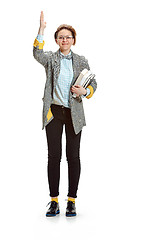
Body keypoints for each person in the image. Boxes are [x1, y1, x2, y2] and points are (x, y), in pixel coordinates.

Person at [33, 11, 97, 217]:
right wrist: (41, 30)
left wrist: (84, 91)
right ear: (56, 40)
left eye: (68, 37)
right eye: (61, 36)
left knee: (73, 157)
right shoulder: (51, 59)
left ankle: (71, 201)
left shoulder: (81, 60)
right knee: (54, 156)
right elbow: (36, 53)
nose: (64, 39)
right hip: (53, 112)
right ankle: (53, 201)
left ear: (73, 40)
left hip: (74, 114)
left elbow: (93, 83)